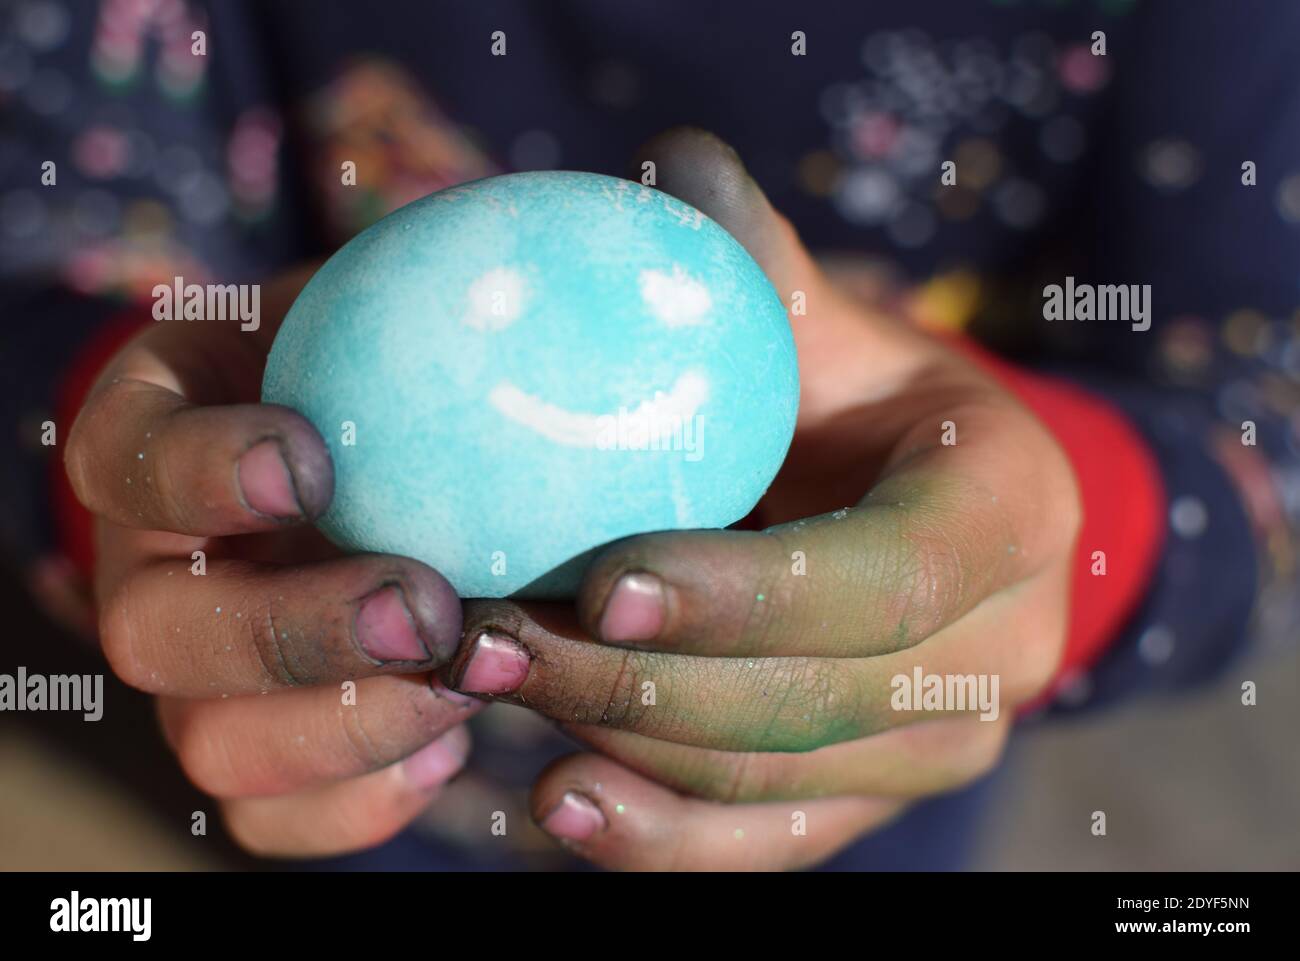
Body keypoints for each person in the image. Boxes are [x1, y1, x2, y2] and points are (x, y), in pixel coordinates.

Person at [2, 0, 1296, 870]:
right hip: (334, 738)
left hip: (846, 757)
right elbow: (45, 201)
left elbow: (1263, 421)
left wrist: (1041, 548)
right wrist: (133, 451)